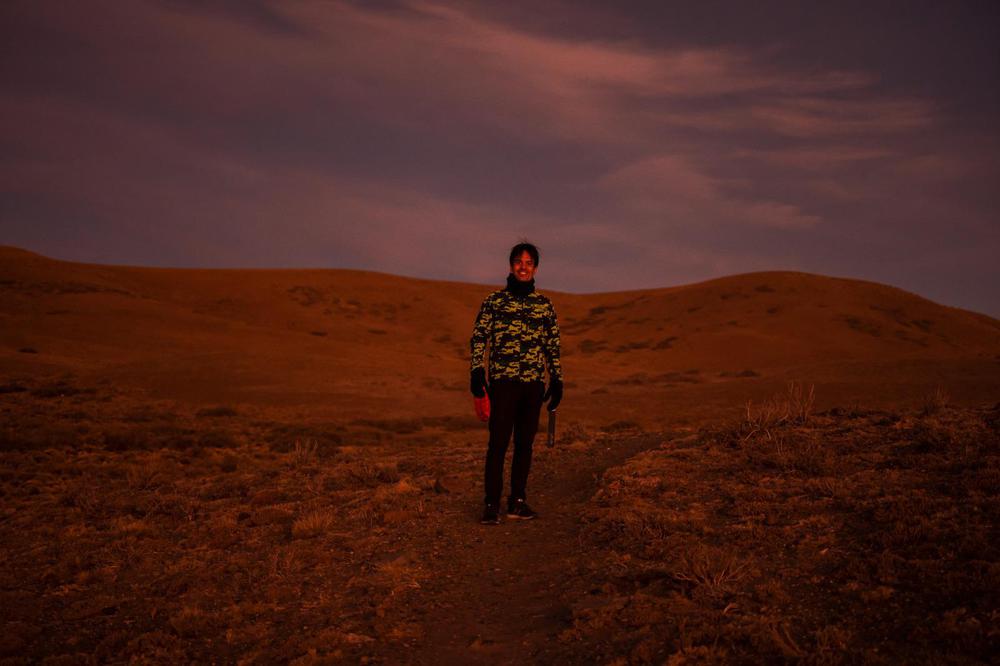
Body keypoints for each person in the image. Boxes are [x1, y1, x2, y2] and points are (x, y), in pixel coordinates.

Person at [469, 241, 563, 525]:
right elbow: (479, 338)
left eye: (529, 262)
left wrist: (557, 378)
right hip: (502, 383)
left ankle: (517, 501)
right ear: (511, 265)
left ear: (535, 268)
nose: (524, 266)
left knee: (525, 444)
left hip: (532, 385)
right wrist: (477, 373)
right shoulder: (494, 302)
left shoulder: (544, 306)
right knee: (498, 444)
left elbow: (552, 345)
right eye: (519, 261)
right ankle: (490, 504)